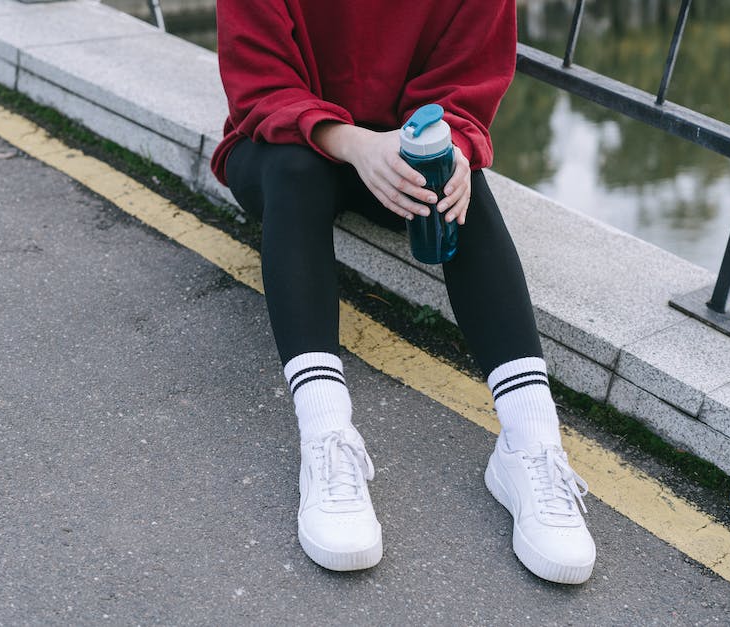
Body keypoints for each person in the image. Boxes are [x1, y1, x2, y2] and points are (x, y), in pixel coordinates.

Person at [211, 0, 596, 584]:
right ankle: (327, 437)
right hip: (281, 149)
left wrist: (454, 151)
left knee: (462, 190)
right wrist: (355, 144)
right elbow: (261, 86)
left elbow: (464, 89)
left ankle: (530, 445)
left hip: (397, 157)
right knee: (296, 170)